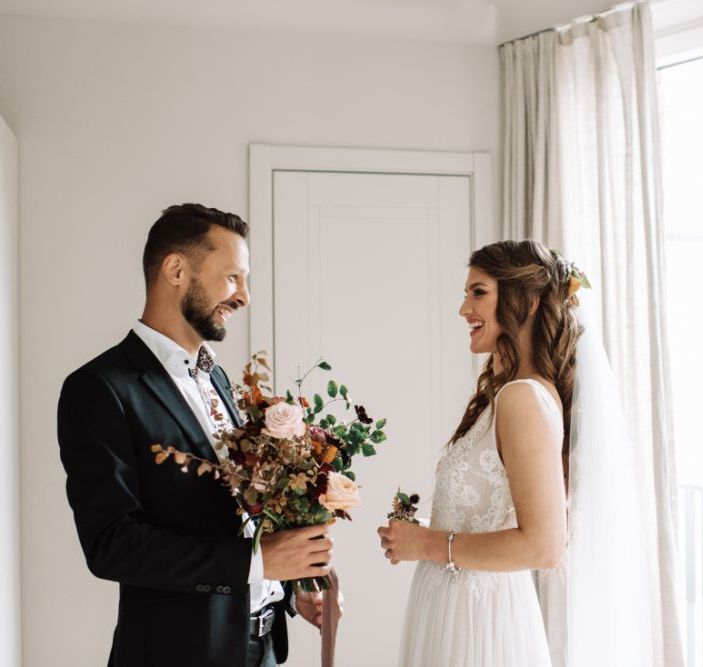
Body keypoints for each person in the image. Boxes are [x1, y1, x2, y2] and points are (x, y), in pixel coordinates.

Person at [58, 203, 332, 667]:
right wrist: (258, 563)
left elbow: (237, 512)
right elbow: (112, 545)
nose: (244, 297)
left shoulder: (220, 380)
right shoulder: (100, 388)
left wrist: (287, 585)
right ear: (176, 269)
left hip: (262, 649)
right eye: (232, 278)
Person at [378, 240, 578, 666]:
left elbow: (545, 546)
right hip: (453, 609)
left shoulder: (523, 398)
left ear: (526, 300)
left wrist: (428, 544)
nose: (464, 309)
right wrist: (429, 529)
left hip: (478, 622)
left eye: (478, 292)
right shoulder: (507, 394)